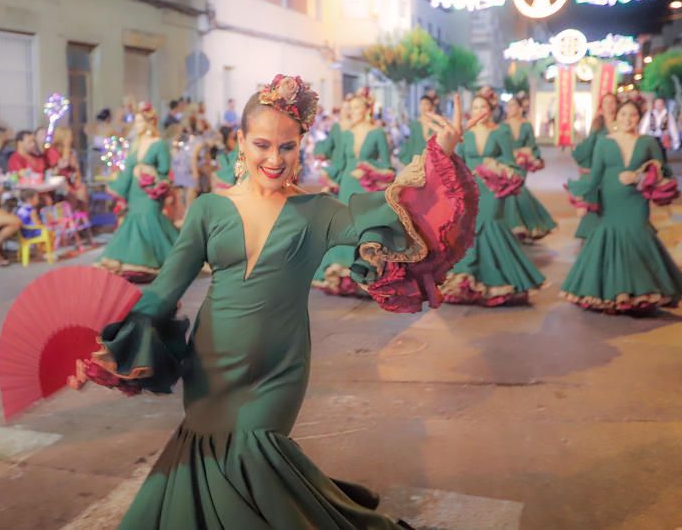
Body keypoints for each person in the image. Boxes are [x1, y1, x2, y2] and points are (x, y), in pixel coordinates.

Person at [71, 74, 481, 529]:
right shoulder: (208, 209)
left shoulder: (319, 212)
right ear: (241, 142)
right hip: (210, 365)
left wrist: (440, 153)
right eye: (263, 144)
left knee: (252, 452)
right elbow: (164, 290)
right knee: (212, 459)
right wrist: (107, 351)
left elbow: (395, 222)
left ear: (300, 145)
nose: (274, 158)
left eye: (287, 147)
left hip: (279, 368)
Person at [563, 100, 682, 314]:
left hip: (636, 200)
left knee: (639, 235)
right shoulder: (604, 142)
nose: (627, 119)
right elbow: (594, 177)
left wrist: (639, 176)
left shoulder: (649, 142)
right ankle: (612, 293)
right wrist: (583, 201)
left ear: (639, 118)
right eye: (623, 114)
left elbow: (664, 172)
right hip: (610, 200)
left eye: (632, 115)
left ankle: (642, 291)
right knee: (609, 239)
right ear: (617, 116)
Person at [440, 95, 546, 306]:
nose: (479, 111)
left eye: (483, 107)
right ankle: (469, 280)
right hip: (470, 189)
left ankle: (502, 279)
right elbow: (456, 161)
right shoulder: (465, 134)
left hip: (492, 188)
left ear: (490, 110)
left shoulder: (500, 133)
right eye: (475, 106)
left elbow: (512, 164)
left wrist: (494, 167)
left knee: (491, 226)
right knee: (470, 229)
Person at [312, 88, 394, 295]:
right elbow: (341, 161)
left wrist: (370, 170)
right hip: (347, 185)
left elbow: (387, 166)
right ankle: (342, 274)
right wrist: (329, 175)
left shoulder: (377, 133)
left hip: (367, 188)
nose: (353, 112)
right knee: (345, 228)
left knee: (364, 231)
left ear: (367, 109)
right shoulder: (347, 134)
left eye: (357, 108)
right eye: (352, 108)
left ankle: (365, 275)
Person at [98, 102, 178, 282]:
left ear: (150, 123)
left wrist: (151, 173)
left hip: (150, 191)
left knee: (150, 220)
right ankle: (135, 262)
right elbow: (127, 170)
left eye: (140, 122)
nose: (137, 126)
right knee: (133, 221)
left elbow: (165, 171)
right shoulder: (135, 145)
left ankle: (168, 260)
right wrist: (117, 185)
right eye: (136, 122)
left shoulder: (159, 145)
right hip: (135, 190)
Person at [499, 96, 557, 242]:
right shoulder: (501, 126)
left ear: (520, 108)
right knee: (513, 192)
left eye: (513, 105)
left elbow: (532, 145)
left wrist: (534, 158)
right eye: (508, 106)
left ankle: (524, 226)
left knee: (518, 189)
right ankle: (523, 226)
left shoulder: (526, 126)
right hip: (506, 162)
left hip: (521, 163)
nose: (509, 108)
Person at [571, 93, 619, 240]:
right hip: (600, 170)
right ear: (601, 107)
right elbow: (589, 146)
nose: (610, 105)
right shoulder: (597, 125)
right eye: (606, 102)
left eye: (612, 102)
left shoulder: (622, 122)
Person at [397, 95, 437, 164]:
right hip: (416, 162)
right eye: (421, 104)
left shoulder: (436, 125)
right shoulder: (413, 125)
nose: (423, 107)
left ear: (432, 107)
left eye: (426, 104)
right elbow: (408, 145)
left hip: (432, 162)